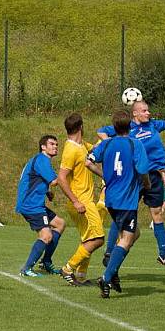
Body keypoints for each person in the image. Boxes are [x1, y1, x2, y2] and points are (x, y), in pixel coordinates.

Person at [97, 99, 165, 270]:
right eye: (144, 111)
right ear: (135, 113)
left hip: (155, 176)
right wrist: (112, 144)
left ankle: (163, 255)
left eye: (148, 110)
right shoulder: (127, 128)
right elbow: (101, 132)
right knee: (125, 212)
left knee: (157, 213)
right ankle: (109, 251)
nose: (148, 113)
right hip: (135, 176)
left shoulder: (152, 125)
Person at [87, 109, 150, 298]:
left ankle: (112, 269)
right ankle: (106, 277)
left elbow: (88, 162)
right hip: (127, 199)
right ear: (130, 125)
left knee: (133, 233)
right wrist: (146, 184)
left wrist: (105, 176)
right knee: (127, 238)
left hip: (110, 198)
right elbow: (143, 169)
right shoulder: (135, 144)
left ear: (113, 127)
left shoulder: (106, 143)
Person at [57, 113, 104, 285]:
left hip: (85, 200)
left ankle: (80, 276)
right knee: (98, 238)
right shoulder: (70, 149)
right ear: (81, 127)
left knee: (88, 239)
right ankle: (68, 268)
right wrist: (76, 201)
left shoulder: (82, 145)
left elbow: (98, 149)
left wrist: (108, 135)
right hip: (81, 201)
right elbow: (62, 177)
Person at [15, 135, 67, 279]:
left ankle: (46, 262)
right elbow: (56, 180)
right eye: (51, 144)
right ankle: (26, 268)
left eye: (56, 144)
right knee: (46, 235)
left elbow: (39, 179)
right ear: (43, 147)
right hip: (31, 205)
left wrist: (48, 191)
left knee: (60, 224)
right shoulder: (42, 159)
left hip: (35, 203)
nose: (55, 146)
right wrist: (69, 172)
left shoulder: (40, 160)